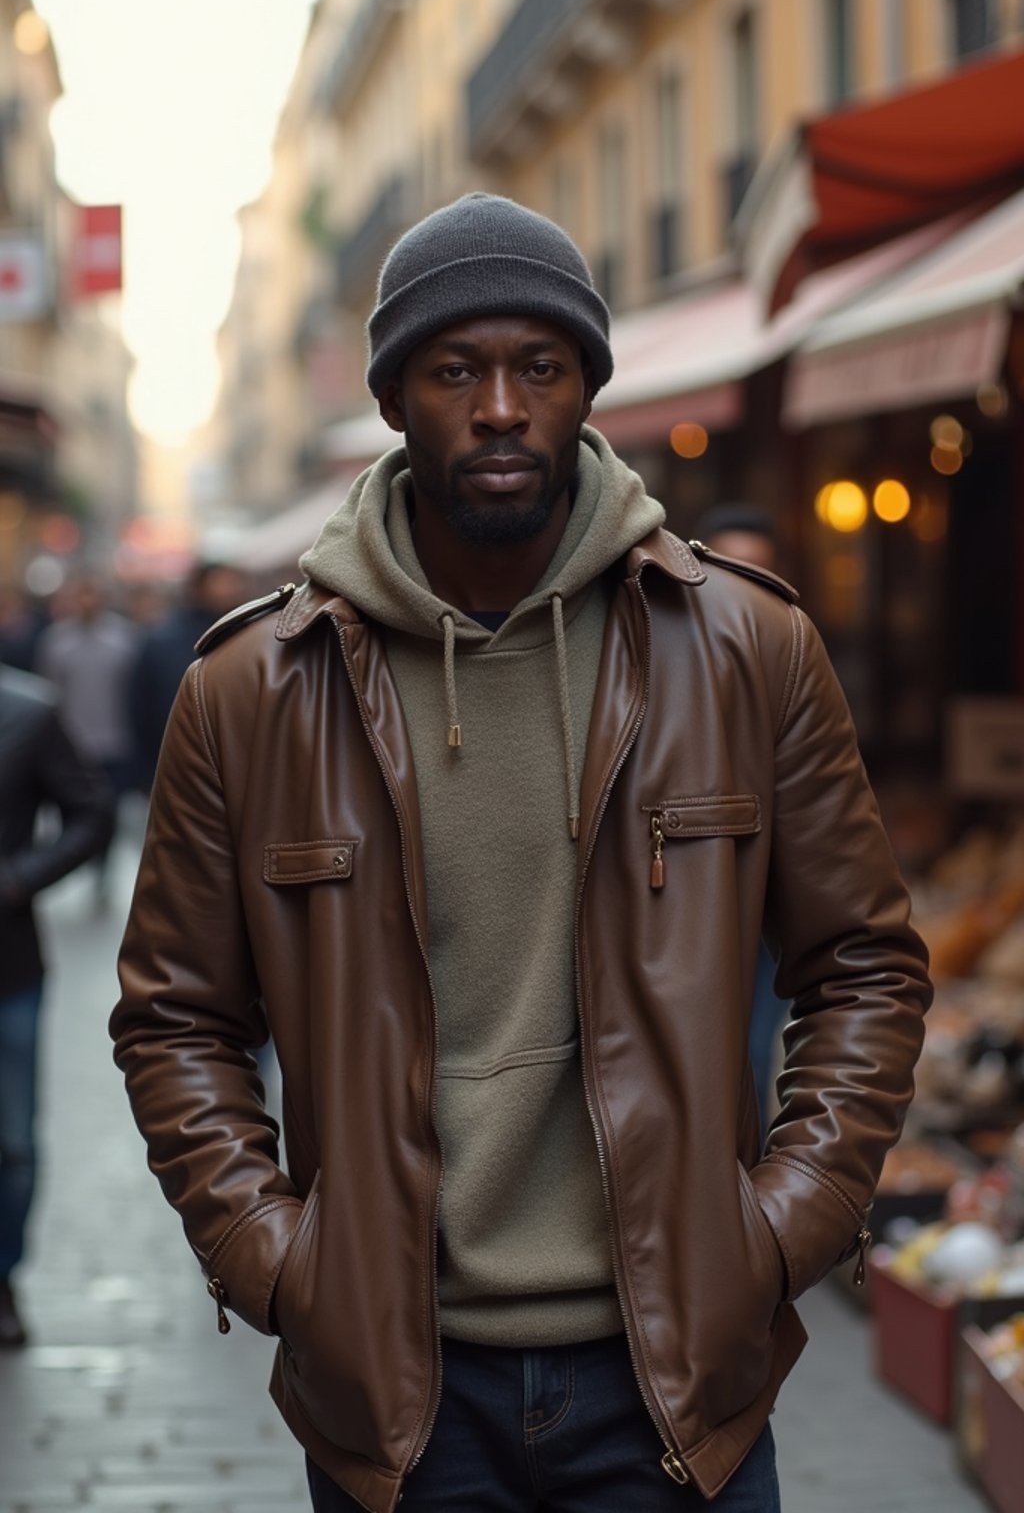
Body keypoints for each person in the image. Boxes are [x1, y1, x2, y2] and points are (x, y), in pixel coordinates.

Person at [111, 194, 931, 1512]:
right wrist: (274, 1262)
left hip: (674, 1387)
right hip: (400, 1395)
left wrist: (785, 1228)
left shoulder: (745, 649)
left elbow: (866, 968)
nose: (499, 407)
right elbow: (174, 1020)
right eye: (455, 371)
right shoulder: (253, 692)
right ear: (393, 400)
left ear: (586, 392)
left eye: (538, 369)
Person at [1, 664, 113, 1345]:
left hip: (7, 970)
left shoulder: (28, 711)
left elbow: (91, 815)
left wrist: (20, 880)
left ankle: (3, 1276)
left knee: (12, 1141)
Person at [692, 504, 793, 1139]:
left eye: (759, 575)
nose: (743, 592)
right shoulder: (666, 670)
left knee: (756, 1057)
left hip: (771, 907)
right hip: (693, 906)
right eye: (729, 571)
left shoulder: (796, 666)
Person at [36, 571, 140, 904]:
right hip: (71, 744)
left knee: (110, 809)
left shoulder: (126, 640)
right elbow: (47, 692)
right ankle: (82, 860)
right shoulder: (56, 641)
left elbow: (136, 695)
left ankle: (102, 867)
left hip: (114, 741)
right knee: (75, 811)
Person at [127, 560, 249, 792]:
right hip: (178, 761)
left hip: (238, 764)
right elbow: (142, 706)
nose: (230, 588)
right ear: (199, 587)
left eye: (234, 581)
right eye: (221, 581)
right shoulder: (164, 639)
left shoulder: (251, 633)